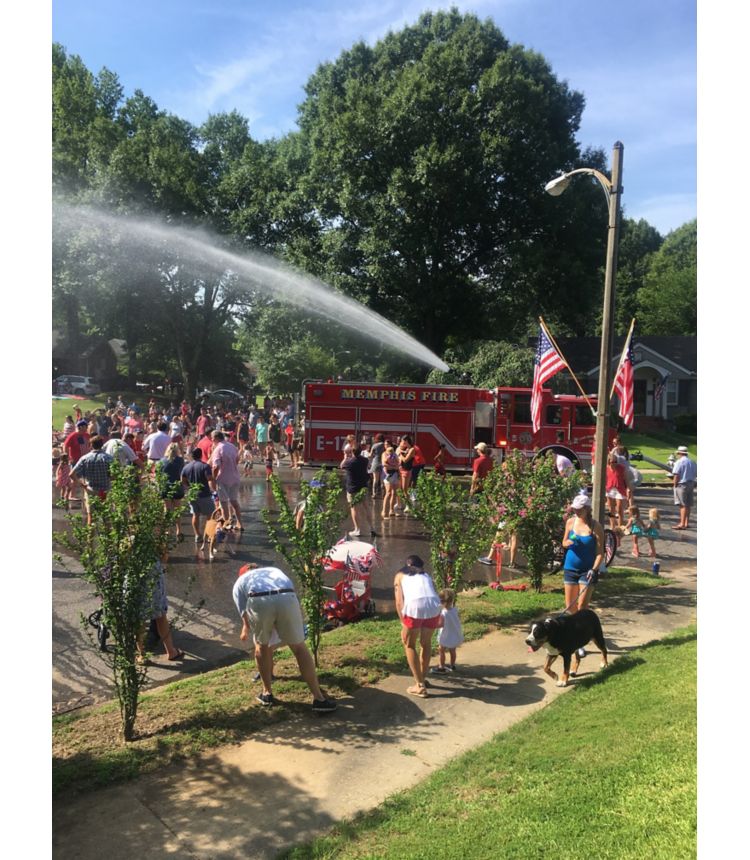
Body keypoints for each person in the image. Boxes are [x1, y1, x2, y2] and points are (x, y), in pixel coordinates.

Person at [232, 563, 337, 713]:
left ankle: (266, 693)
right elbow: (289, 592)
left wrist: (249, 629)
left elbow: (245, 615)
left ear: (242, 574)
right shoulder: (274, 570)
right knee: (299, 647)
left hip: (259, 599)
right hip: (287, 595)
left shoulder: (240, 583)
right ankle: (319, 698)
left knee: (262, 646)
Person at [393, 555, 443, 698]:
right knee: (425, 643)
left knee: (409, 644)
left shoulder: (399, 575)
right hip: (434, 606)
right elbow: (433, 592)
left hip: (414, 606)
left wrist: (403, 621)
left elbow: (398, 602)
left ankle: (419, 685)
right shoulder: (426, 575)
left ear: (407, 564)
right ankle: (422, 678)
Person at [561, 493, 605, 619]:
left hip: (587, 571)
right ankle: (578, 627)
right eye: (575, 509)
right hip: (570, 568)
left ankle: (582, 631)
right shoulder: (570, 522)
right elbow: (563, 542)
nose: (576, 511)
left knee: (582, 606)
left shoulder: (596, 527)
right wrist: (567, 543)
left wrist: (594, 569)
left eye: (580, 509)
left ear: (587, 509)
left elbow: (600, 553)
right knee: (570, 606)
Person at [137, 559, 184, 663]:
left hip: (134, 571)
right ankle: (171, 651)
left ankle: (142, 655)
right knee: (160, 614)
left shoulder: (126, 543)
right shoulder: (153, 542)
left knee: (139, 617)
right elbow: (164, 554)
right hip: (152, 571)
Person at [70, 436, 114, 525]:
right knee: (107, 517)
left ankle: (89, 538)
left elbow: (71, 474)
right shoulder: (108, 458)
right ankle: (108, 537)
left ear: (91, 445)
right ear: (102, 445)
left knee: (91, 517)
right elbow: (115, 475)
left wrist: (82, 484)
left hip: (91, 490)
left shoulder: (85, 458)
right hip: (105, 490)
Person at [181, 447, 216, 544]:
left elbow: (182, 480)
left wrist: (189, 487)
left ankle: (197, 535)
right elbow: (209, 478)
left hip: (192, 494)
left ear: (192, 456)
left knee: (195, 515)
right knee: (210, 515)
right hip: (204, 494)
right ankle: (208, 535)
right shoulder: (205, 466)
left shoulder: (186, 467)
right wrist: (214, 479)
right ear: (201, 455)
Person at [210, 430, 243, 530]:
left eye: (212, 439)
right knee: (234, 502)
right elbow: (237, 460)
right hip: (235, 477)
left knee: (224, 503)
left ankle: (227, 524)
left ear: (215, 438)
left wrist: (213, 479)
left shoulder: (218, 449)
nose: (212, 440)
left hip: (223, 479)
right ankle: (240, 524)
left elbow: (216, 467)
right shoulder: (232, 446)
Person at [430, 588, 464, 673]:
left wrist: (433, 624)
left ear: (441, 602)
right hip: (454, 634)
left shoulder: (443, 613)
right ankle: (452, 665)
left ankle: (441, 666)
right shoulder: (455, 610)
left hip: (445, 635)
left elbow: (440, 624)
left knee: (441, 650)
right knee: (453, 651)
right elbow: (457, 619)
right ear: (452, 600)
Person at [157, 443, 186, 541]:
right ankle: (179, 530)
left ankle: (168, 530)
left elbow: (158, 474)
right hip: (177, 487)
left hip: (165, 487)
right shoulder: (180, 460)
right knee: (177, 509)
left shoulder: (162, 460)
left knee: (167, 510)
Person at [341, 444, 370, 537]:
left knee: (354, 509)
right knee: (366, 507)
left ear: (352, 452)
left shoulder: (349, 462)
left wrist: (345, 457)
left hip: (352, 488)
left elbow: (341, 466)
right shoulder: (365, 460)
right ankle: (372, 528)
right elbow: (368, 466)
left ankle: (357, 529)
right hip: (363, 486)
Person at [671, 445, 697, 529]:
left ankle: (681, 524)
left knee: (682, 505)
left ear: (679, 453)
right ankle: (686, 523)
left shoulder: (679, 462)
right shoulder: (692, 462)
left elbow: (676, 475)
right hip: (691, 483)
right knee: (688, 504)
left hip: (682, 484)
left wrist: (674, 485)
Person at [605, 450, 628, 527]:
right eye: (612, 462)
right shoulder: (606, 469)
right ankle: (612, 526)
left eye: (615, 462)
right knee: (611, 509)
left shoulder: (621, 468)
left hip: (619, 490)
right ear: (609, 462)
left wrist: (628, 488)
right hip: (609, 489)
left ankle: (620, 526)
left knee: (619, 509)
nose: (614, 463)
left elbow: (626, 479)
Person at [381, 441, 400, 518]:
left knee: (394, 492)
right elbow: (384, 464)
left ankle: (391, 510)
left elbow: (398, 463)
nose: (386, 446)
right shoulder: (384, 454)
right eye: (385, 444)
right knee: (388, 492)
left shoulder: (394, 454)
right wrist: (393, 466)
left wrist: (395, 466)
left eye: (387, 444)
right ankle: (384, 511)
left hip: (395, 474)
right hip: (387, 475)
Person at [368, 433, 385, 498]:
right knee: (382, 479)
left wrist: (367, 455)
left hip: (376, 463)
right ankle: (383, 494)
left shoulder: (375, 445)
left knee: (375, 479)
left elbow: (370, 455)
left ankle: (374, 494)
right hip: (383, 463)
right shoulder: (385, 445)